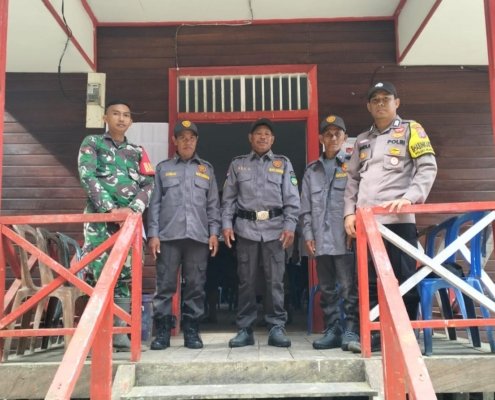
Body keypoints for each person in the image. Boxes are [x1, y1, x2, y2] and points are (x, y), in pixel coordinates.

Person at [343, 82, 438, 353]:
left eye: (386, 99)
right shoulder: (362, 140)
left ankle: (405, 337)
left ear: (397, 102)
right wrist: (349, 213)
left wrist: (410, 198)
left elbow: (427, 168)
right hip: (366, 225)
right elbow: (352, 180)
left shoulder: (411, 129)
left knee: (403, 280)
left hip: (398, 222)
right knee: (370, 282)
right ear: (368, 106)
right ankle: (376, 334)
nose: (381, 104)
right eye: (375, 100)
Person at [78, 100, 155, 351]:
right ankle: (96, 339)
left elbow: (149, 184)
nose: (121, 119)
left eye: (126, 115)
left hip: (129, 224)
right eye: (116, 114)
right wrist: (110, 210)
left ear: (131, 121)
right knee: (98, 275)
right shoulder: (93, 143)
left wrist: (132, 211)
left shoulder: (137, 151)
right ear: (105, 118)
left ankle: (120, 335)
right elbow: (87, 175)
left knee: (125, 276)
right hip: (100, 222)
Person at [222, 118, 300, 348]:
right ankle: (245, 328)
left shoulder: (282, 163)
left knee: (275, 281)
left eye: (267, 134)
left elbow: (292, 199)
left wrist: (290, 226)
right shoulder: (238, 164)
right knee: (246, 281)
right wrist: (226, 224)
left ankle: (276, 327)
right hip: (245, 230)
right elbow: (228, 200)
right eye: (258, 133)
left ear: (272, 139)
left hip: (276, 231)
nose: (263, 137)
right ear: (251, 138)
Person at [147, 120, 220, 350]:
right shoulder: (163, 168)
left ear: (196, 141)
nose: (187, 142)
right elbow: (154, 204)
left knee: (196, 286)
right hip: (168, 237)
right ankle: (162, 333)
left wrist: (214, 233)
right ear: (175, 141)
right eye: (182, 138)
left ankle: (191, 331)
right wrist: (153, 234)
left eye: (191, 138)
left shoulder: (206, 169)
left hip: (198, 237)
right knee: (165, 286)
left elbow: (213, 205)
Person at [300, 115, 360, 351]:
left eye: (337, 134)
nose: (333, 138)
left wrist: (355, 229)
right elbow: (305, 208)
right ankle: (332, 330)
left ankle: (351, 330)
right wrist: (308, 235)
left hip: (344, 237)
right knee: (326, 289)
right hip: (320, 239)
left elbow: (357, 200)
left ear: (345, 137)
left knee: (347, 288)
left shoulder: (352, 166)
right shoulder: (311, 170)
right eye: (328, 134)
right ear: (320, 138)